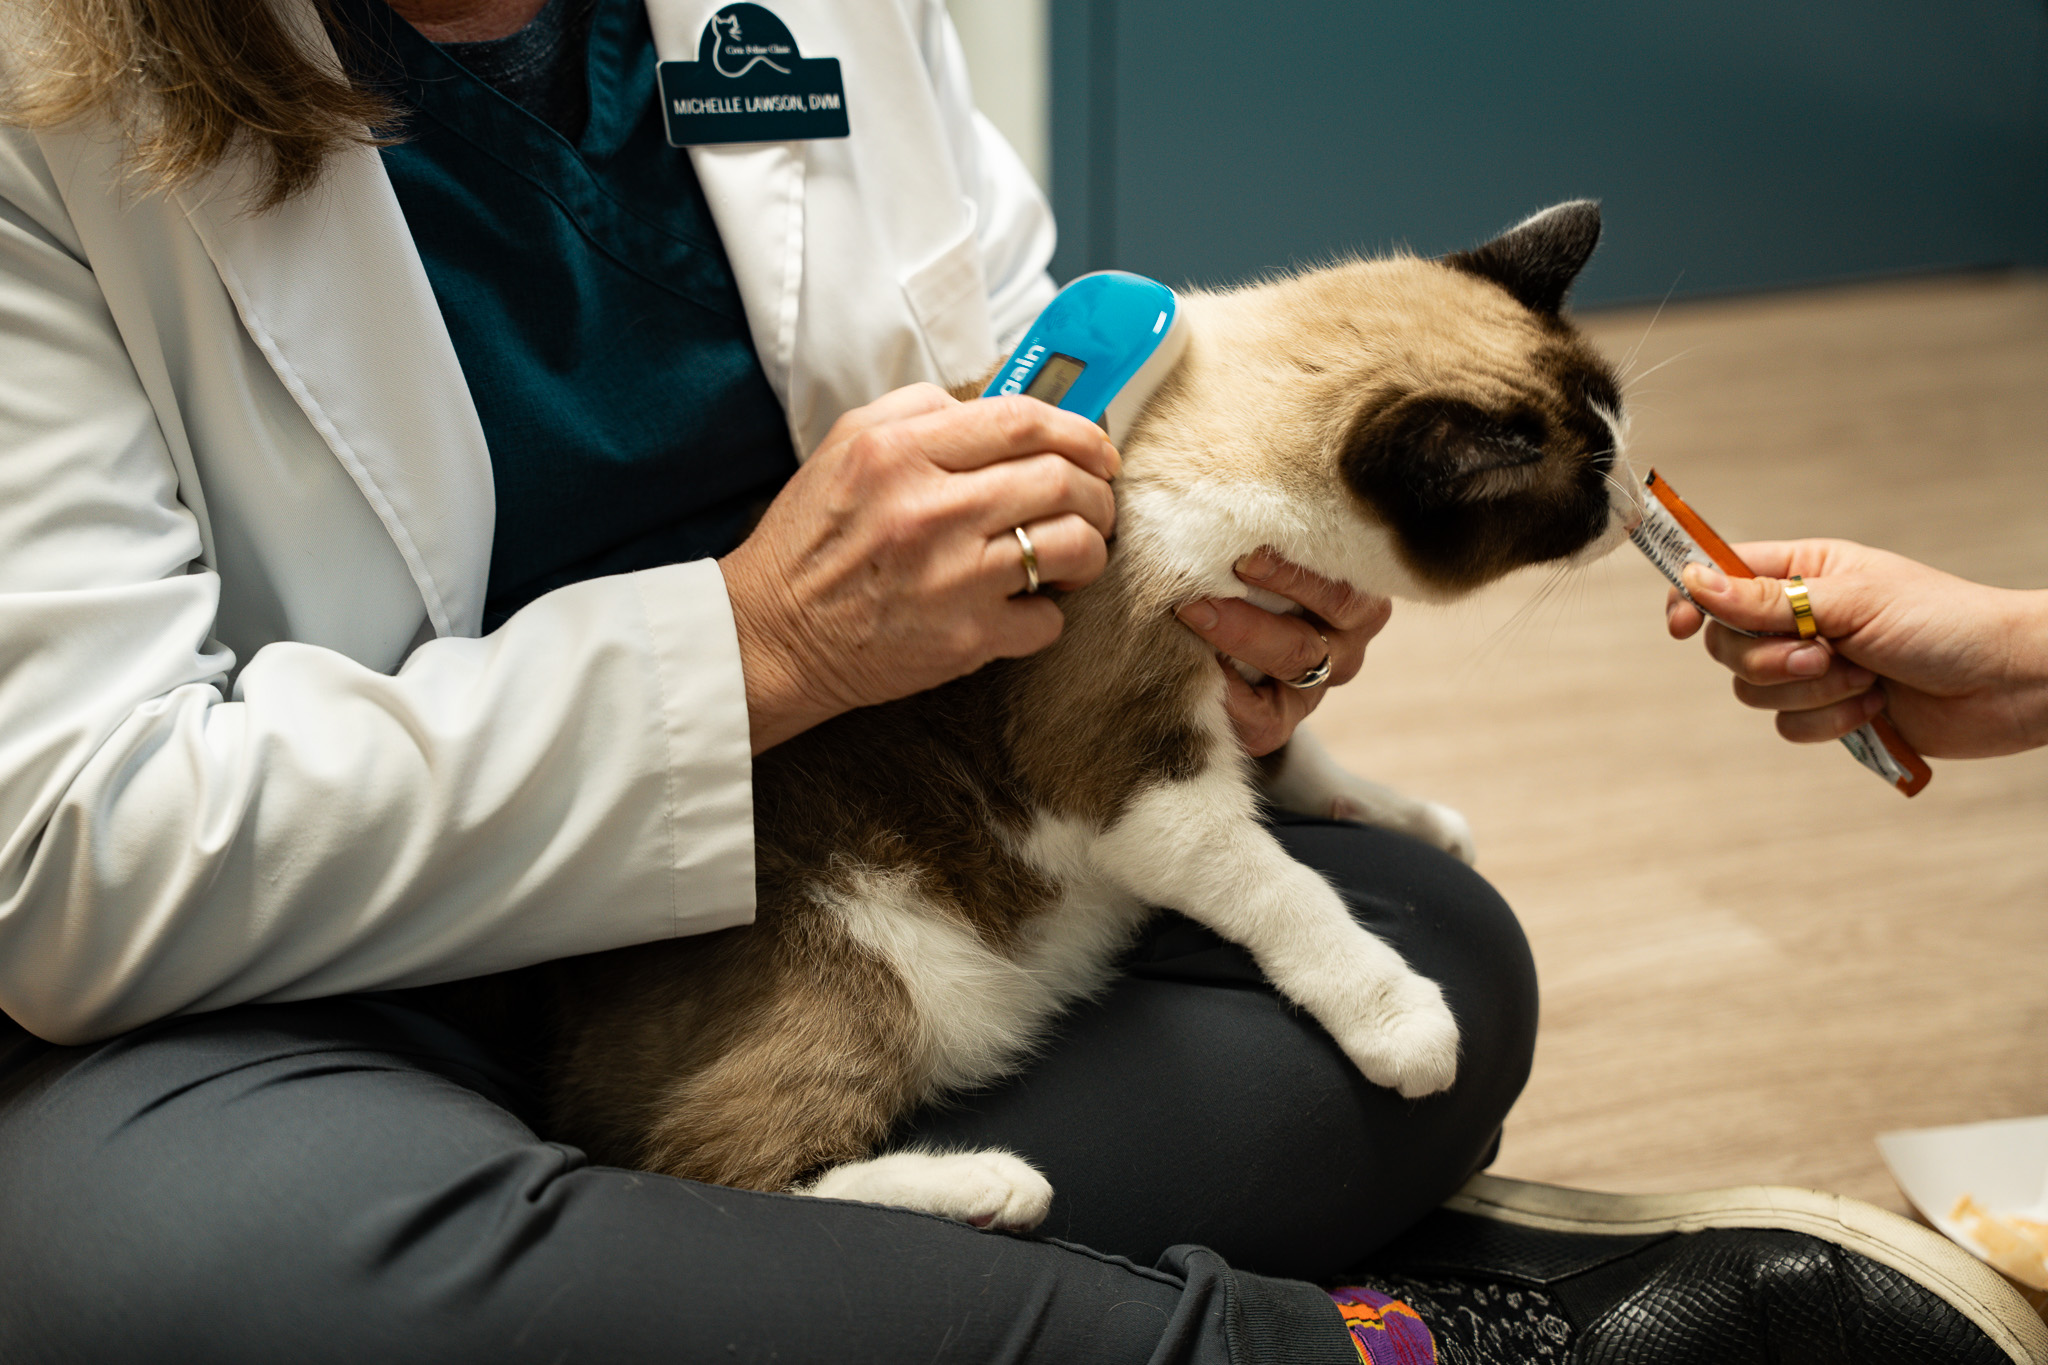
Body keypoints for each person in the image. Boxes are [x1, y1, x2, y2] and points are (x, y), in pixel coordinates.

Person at [0, 0, 2035, 1359]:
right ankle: (1363, 1336)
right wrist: (763, 641)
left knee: (1438, 954)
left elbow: (1043, 361)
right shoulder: (39, 105)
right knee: (161, 1264)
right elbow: (75, 846)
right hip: (317, 984)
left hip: (867, 860)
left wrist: (1204, 630)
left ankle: (776, 1293)